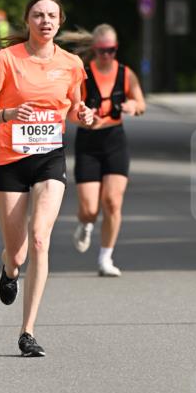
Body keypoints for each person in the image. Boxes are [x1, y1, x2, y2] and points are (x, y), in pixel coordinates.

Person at [0, 0, 94, 357]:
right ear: (27, 20)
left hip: (49, 160)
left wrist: (84, 117)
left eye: (52, 16)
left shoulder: (72, 63)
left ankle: (27, 332)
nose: (45, 21)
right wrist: (7, 114)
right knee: (19, 252)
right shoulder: (6, 60)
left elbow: (73, 108)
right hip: (10, 159)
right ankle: (9, 269)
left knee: (40, 237)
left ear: (60, 22)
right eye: (38, 15)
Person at [61, 24, 146, 276]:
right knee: (89, 209)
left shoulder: (126, 74)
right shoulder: (84, 75)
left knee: (112, 202)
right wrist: (84, 119)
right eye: (102, 51)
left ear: (116, 48)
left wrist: (133, 105)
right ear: (94, 50)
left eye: (111, 50)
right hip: (88, 142)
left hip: (115, 141)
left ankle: (105, 258)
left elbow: (141, 102)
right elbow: (69, 111)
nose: (107, 55)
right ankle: (85, 224)